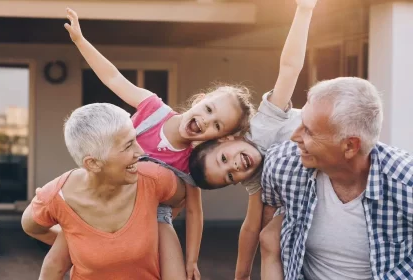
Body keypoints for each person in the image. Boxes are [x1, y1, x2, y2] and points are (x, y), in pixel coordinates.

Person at [38, 7, 255, 280]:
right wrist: (81, 41)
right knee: (57, 259)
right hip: (105, 200)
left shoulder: (190, 162)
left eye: (217, 126)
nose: (206, 121)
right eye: (209, 110)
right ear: (200, 98)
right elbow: (113, 77)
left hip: (154, 219)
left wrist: (192, 261)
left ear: (217, 138)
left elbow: (194, 211)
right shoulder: (153, 110)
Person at [188, 0, 318, 278]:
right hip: (321, 189)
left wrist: (304, 9)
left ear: (227, 138)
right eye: (229, 177)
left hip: (332, 136)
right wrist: (242, 274)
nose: (234, 168)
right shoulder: (255, 176)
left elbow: (289, 68)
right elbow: (251, 225)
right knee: (269, 233)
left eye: (224, 160)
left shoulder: (263, 124)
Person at [260, 76, 413, 280]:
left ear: (350, 146)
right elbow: (270, 220)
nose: (295, 137)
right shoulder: (282, 163)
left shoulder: (405, 183)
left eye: (308, 131)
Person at [21, 103, 187, 280]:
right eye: (128, 145)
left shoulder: (155, 179)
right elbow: (33, 227)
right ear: (93, 163)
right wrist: (73, 244)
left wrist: (159, 225)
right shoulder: (56, 197)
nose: (140, 151)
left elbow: (181, 198)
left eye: (135, 139)